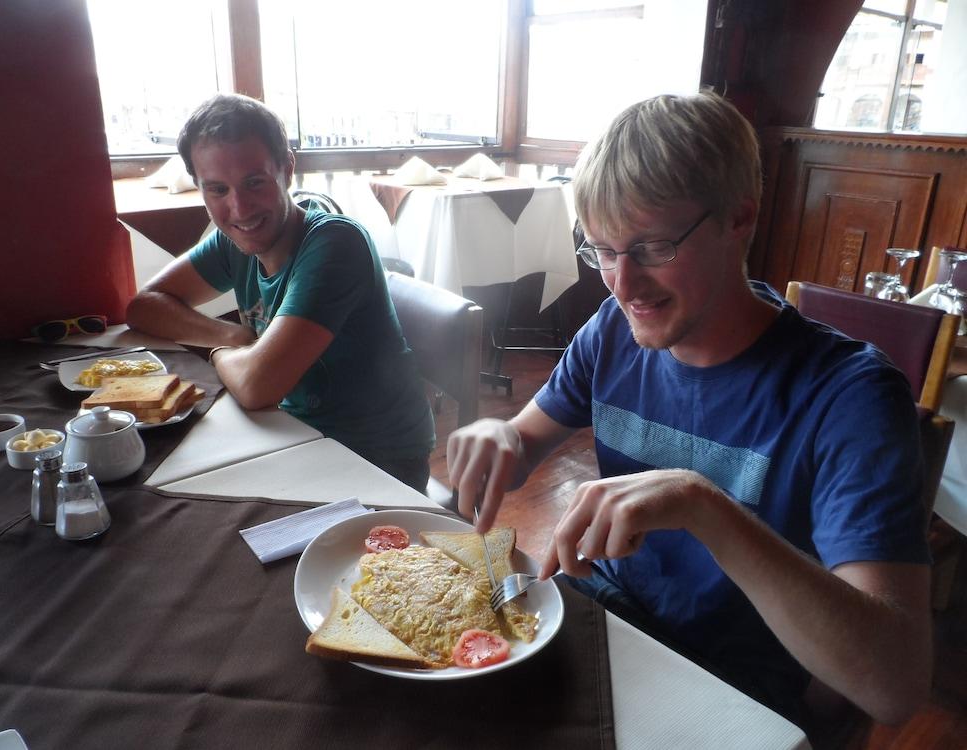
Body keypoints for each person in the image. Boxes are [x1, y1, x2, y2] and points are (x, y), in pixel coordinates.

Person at [447, 92, 931, 729]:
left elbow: (896, 687)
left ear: (739, 219)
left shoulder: (850, 397)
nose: (622, 284)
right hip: (612, 628)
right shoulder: (612, 332)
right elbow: (520, 443)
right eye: (603, 250)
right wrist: (496, 434)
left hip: (740, 688)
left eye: (652, 247)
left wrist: (706, 510)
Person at [126, 94, 435, 492]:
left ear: (287, 169)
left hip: (375, 459)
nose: (239, 209)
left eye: (254, 182)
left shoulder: (334, 242)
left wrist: (221, 353)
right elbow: (144, 306)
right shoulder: (233, 241)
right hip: (289, 433)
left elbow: (257, 385)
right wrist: (230, 336)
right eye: (217, 190)